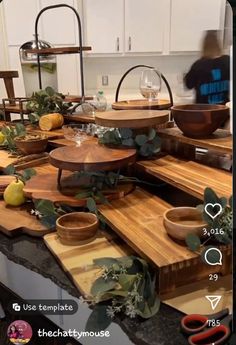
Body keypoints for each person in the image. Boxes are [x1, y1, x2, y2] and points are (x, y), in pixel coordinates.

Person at [184, 30, 230, 105]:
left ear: (204, 46)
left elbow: (188, 85)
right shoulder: (227, 61)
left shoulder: (198, 65)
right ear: (219, 45)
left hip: (203, 112)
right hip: (223, 111)